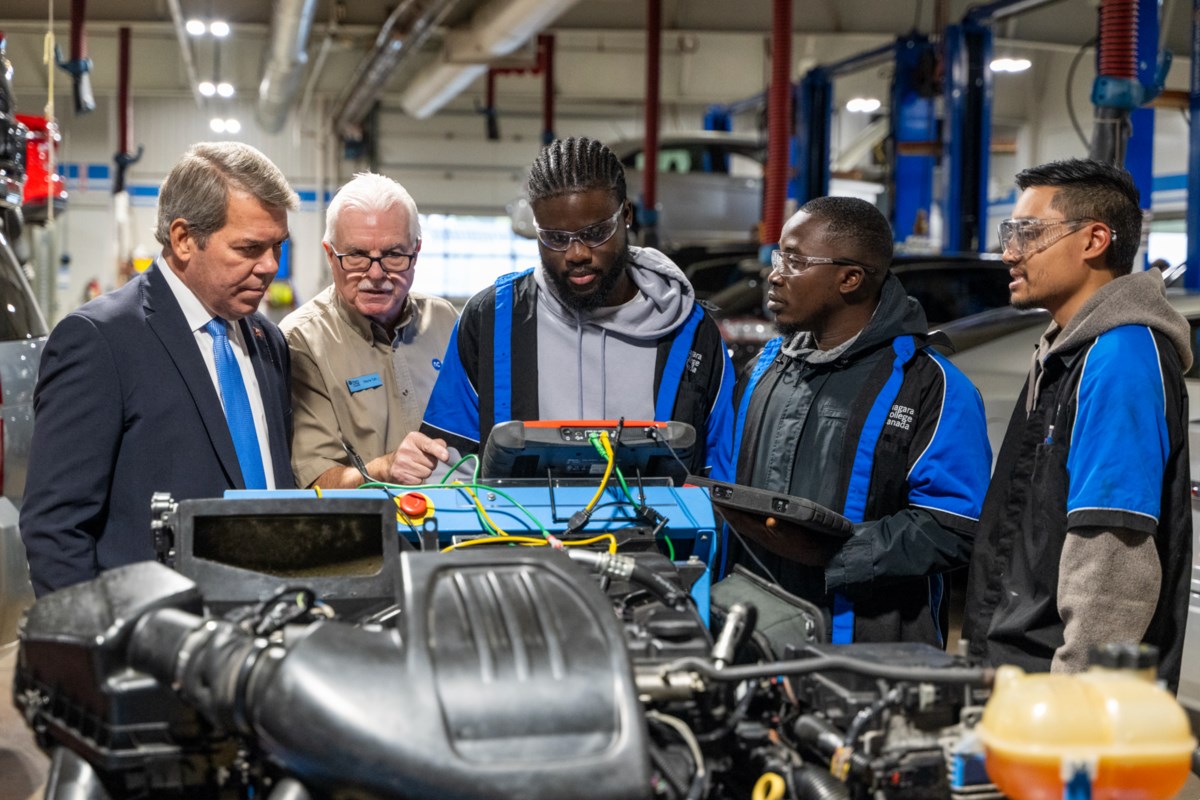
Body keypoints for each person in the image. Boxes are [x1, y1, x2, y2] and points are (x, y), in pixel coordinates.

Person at [21, 141, 297, 596]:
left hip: (263, 628)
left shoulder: (269, 342)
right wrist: (93, 654)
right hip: (150, 643)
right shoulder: (101, 341)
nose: (269, 266)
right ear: (184, 238)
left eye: (277, 247)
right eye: (249, 248)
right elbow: (56, 529)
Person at [962, 159, 1192, 688]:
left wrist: (1072, 710)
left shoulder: (1122, 358)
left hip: (1060, 695)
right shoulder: (1067, 351)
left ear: (1093, 240)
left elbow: (1112, 564)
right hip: (1022, 673)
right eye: (1008, 233)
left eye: (1027, 233)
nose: (1009, 252)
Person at [391, 136, 735, 483]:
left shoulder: (689, 332)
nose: (576, 254)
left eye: (595, 233)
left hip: (661, 538)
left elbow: (719, 479)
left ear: (626, 215)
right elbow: (453, 466)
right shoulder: (492, 320)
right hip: (518, 537)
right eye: (555, 238)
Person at [728, 197, 992, 645]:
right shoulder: (763, 371)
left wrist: (835, 554)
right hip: (754, 632)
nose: (775, 274)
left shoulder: (930, 386)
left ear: (850, 279)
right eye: (779, 257)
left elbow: (953, 525)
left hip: (867, 649)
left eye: (795, 261)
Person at [281, 173, 457, 489]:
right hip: (366, 531)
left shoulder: (444, 320)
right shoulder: (301, 341)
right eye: (357, 256)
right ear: (330, 254)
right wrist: (384, 469)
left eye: (393, 254)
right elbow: (316, 481)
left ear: (416, 252)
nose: (376, 274)